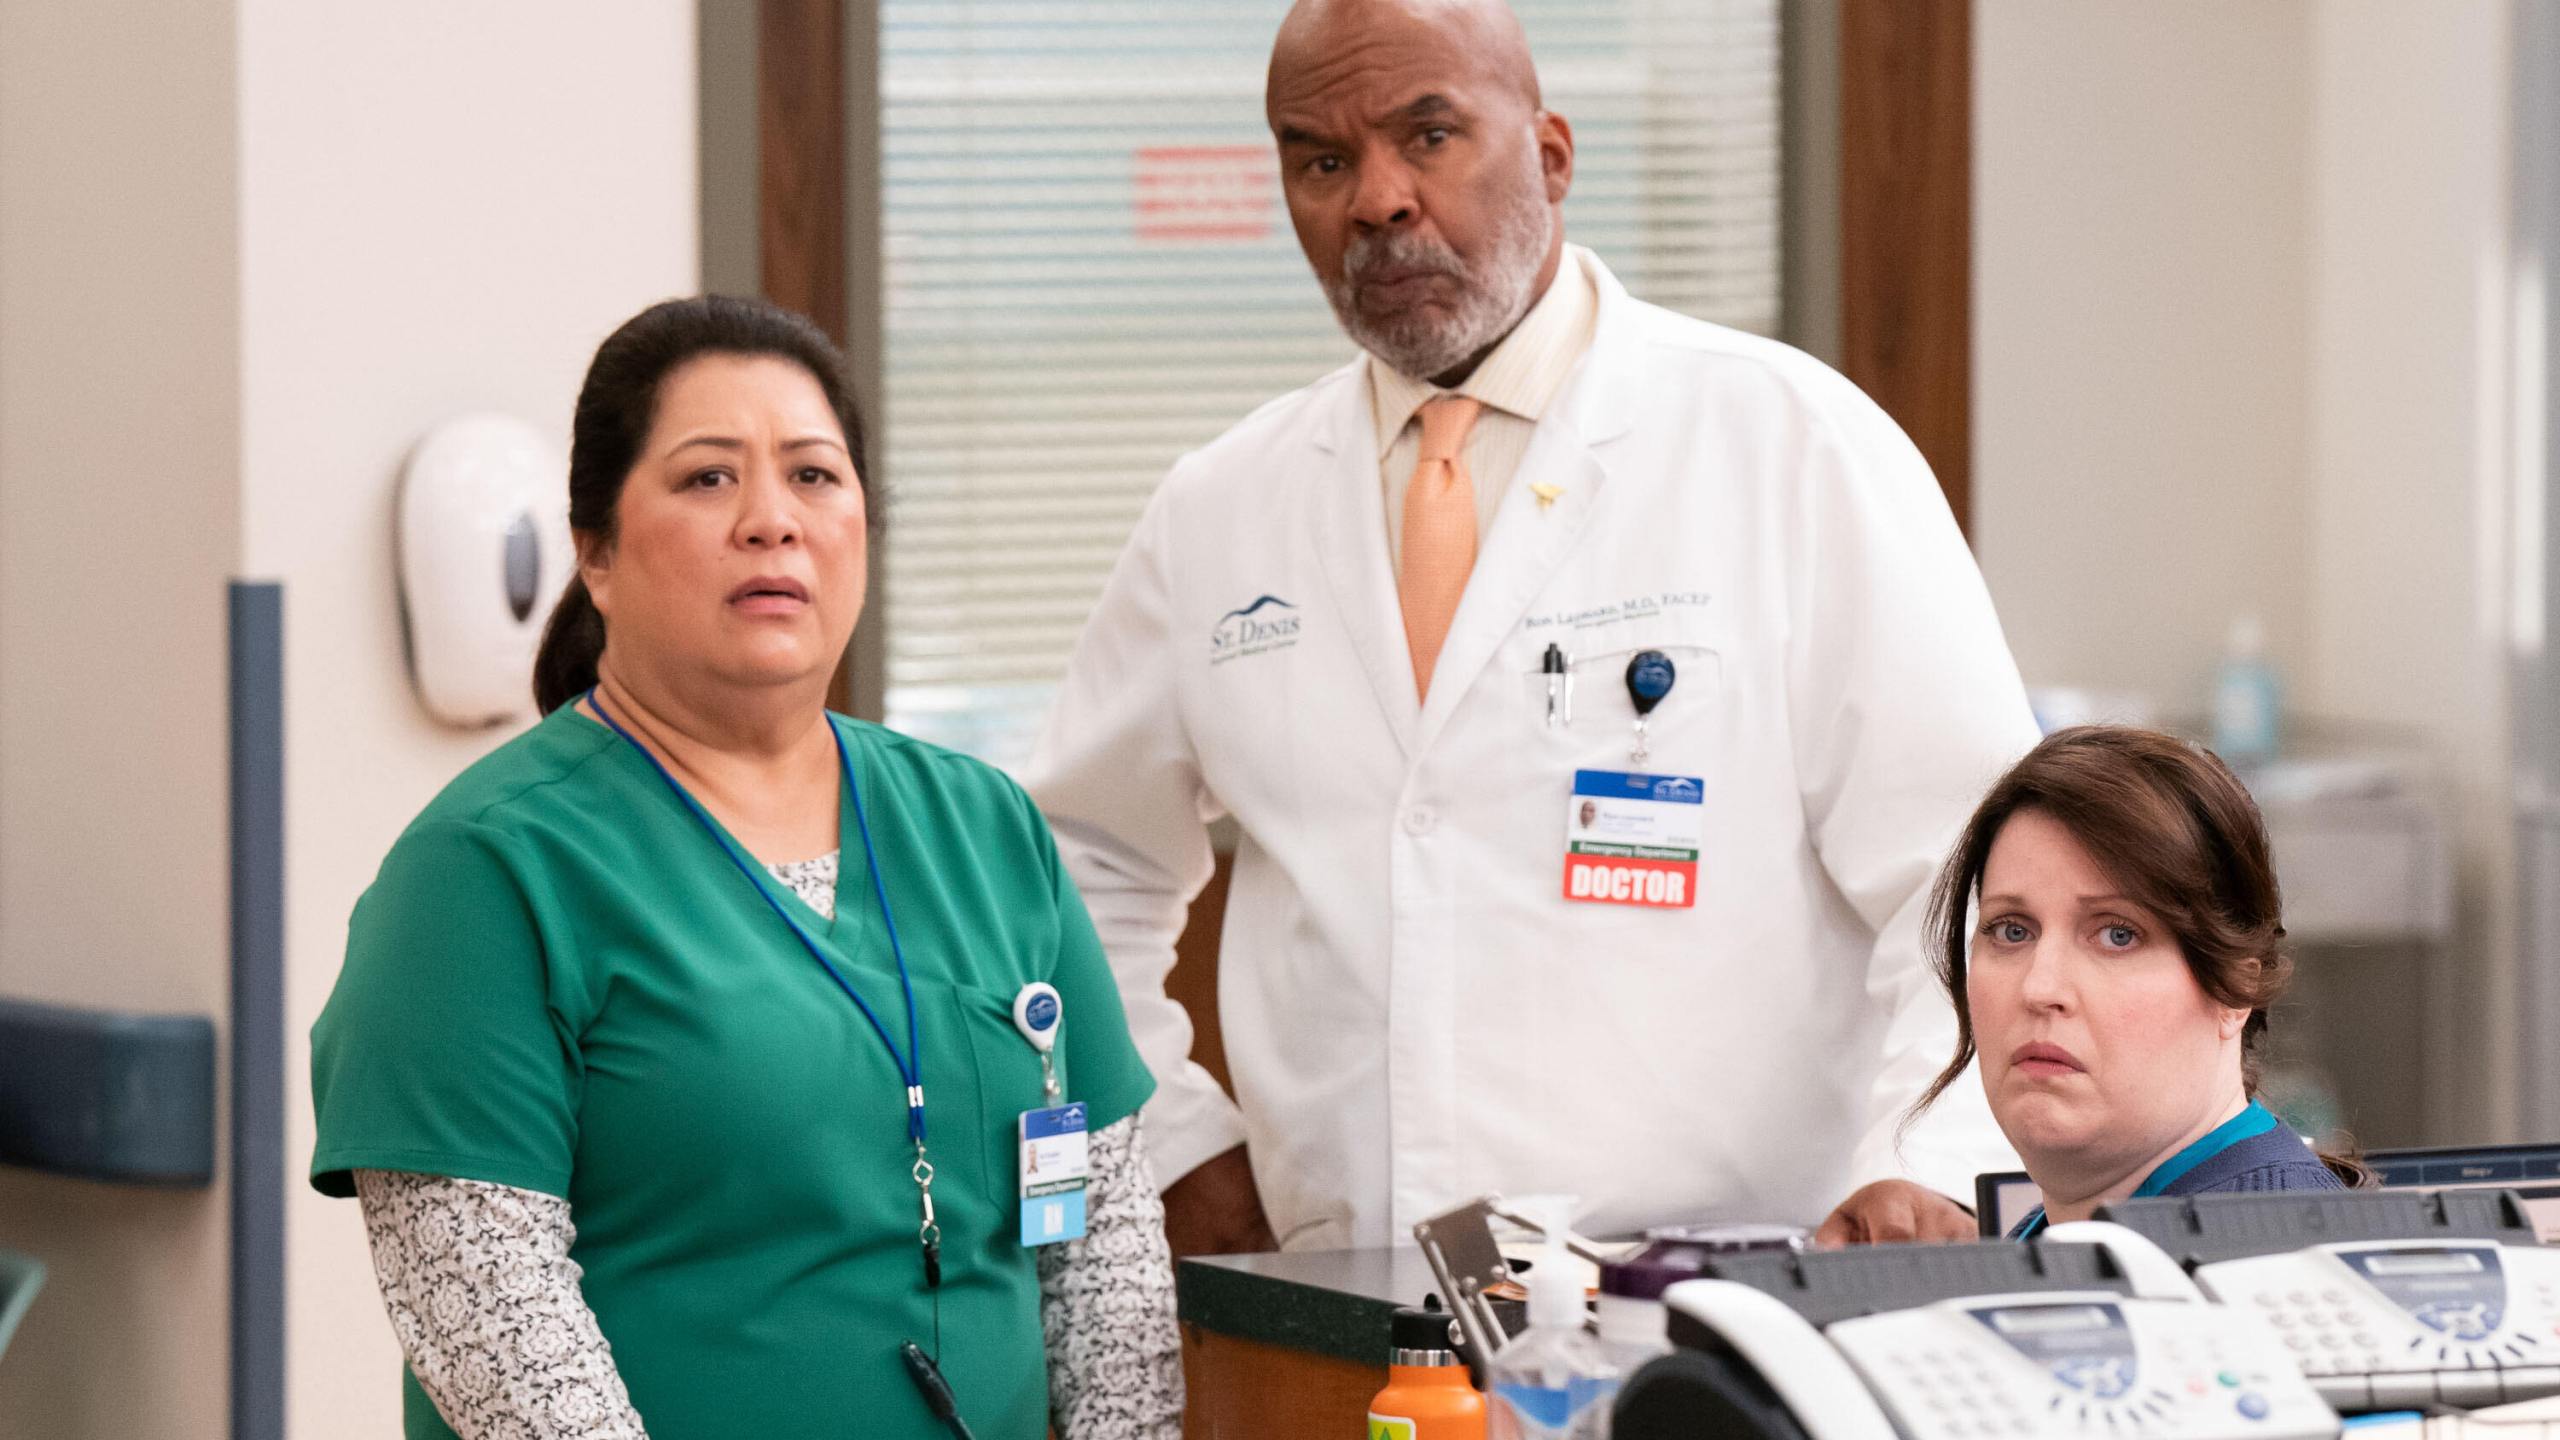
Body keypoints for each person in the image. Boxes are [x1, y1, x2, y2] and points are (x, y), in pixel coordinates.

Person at [1022, 0, 2038, 1257]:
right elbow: (1071, 870)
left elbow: (1974, 865)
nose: (1378, 200)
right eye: (1320, 159)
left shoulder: (1782, 441)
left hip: (1728, 1293)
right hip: (1350, 1303)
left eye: (1428, 135)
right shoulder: (1221, 510)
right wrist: (1177, 1148)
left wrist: (1923, 1168)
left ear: (1551, 154)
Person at [310, 296, 1180, 1440]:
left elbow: (1098, 1237)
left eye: (815, 476)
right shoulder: (484, 875)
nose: (773, 520)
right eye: (708, 478)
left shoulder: (985, 828)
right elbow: (489, 1319)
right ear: (595, 553)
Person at [1905, 726, 2353, 1240]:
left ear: (2235, 988)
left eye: (2118, 935)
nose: (2040, 988)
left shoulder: (2265, 1261)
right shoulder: (2074, 1233)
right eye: (2012, 930)